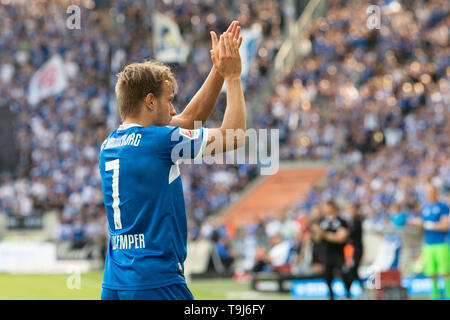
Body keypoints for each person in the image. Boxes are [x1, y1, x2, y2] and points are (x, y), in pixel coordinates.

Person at [99, 22, 246, 300]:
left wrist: (217, 70)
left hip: (116, 280)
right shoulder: (159, 142)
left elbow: (188, 119)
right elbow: (234, 136)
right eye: (169, 100)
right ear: (150, 102)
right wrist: (233, 77)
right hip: (156, 279)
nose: (174, 108)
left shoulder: (110, 143)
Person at [409, 184, 449, 299]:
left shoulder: (442, 206)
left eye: (432, 191)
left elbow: (445, 225)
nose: (430, 194)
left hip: (441, 243)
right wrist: (417, 224)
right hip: (428, 244)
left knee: (445, 271)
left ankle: (448, 295)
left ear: (436, 192)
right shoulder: (424, 208)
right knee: (431, 272)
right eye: (428, 192)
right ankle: (435, 295)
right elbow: (423, 227)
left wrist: (429, 225)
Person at [311, 200, 349, 300]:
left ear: (333, 207)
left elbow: (341, 238)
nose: (324, 209)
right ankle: (331, 296)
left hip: (339, 253)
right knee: (327, 276)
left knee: (344, 274)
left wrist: (324, 234)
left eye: (326, 206)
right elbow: (316, 239)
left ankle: (348, 295)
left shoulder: (341, 221)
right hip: (326, 254)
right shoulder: (321, 221)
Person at [342, 202, 364, 298]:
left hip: (356, 250)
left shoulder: (356, 221)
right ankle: (349, 293)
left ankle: (360, 291)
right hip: (349, 250)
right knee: (351, 271)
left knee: (353, 270)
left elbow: (350, 233)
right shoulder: (349, 221)